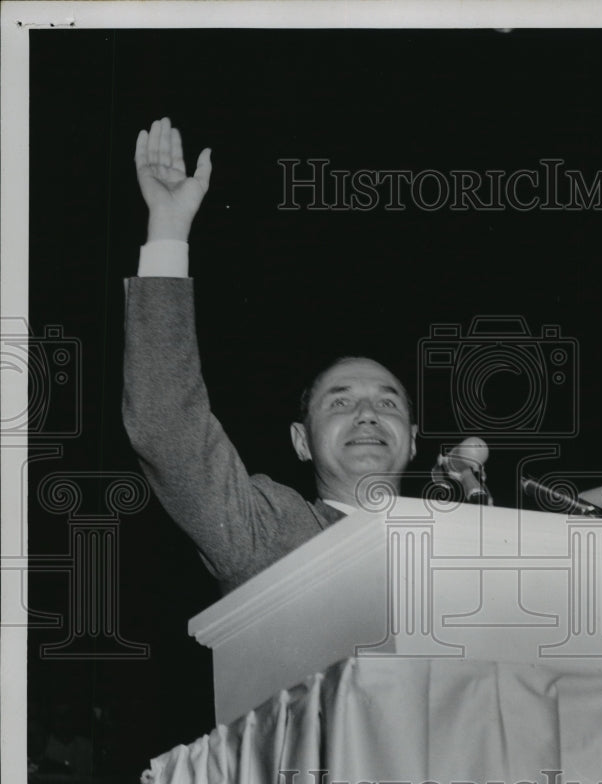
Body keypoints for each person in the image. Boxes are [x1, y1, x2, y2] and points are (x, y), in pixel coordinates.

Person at [123, 118, 418, 594]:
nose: (367, 414)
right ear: (301, 442)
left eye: (388, 403)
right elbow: (166, 427)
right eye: (339, 402)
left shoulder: (468, 542)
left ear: (415, 439)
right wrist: (169, 226)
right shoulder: (271, 534)